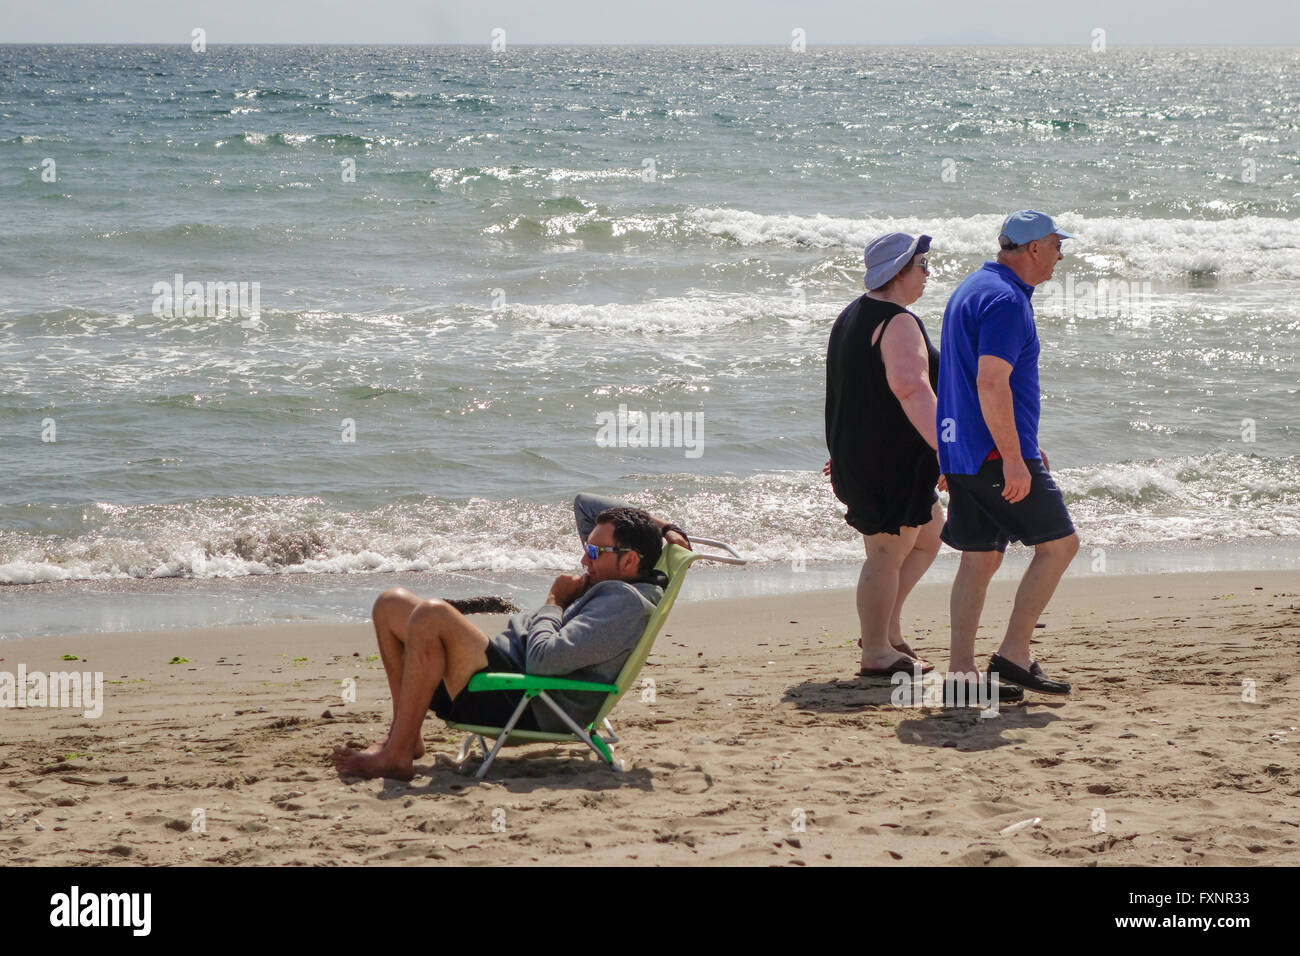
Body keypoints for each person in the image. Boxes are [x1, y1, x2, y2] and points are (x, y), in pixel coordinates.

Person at [331, 494, 690, 779]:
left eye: (594, 551)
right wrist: (665, 527)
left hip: (522, 700)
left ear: (629, 562)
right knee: (390, 604)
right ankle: (406, 739)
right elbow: (586, 503)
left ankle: (395, 757)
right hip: (506, 677)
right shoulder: (616, 575)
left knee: (432, 614)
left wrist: (555, 601)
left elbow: (544, 660)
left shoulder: (622, 604)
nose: (584, 559)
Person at [935, 210, 1080, 695]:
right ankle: (1014, 655)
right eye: (1057, 245)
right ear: (1034, 248)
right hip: (995, 457)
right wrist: (1016, 457)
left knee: (978, 559)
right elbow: (991, 381)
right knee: (1060, 545)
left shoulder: (972, 287)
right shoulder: (1005, 300)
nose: (1061, 255)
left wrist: (956, 452)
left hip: (964, 453)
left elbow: (960, 378)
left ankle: (961, 672)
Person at [825, 232, 947, 679]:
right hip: (888, 461)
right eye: (922, 266)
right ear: (899, 271)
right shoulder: (897, 322)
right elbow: (912, 390)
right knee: (886, 551)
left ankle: (886, 631)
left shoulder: (854, 315)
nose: (927, 274)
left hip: (876, 456)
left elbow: (848, 393)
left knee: (931, 535)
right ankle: (875, 650)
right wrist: (949, 448)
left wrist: (841, 449)